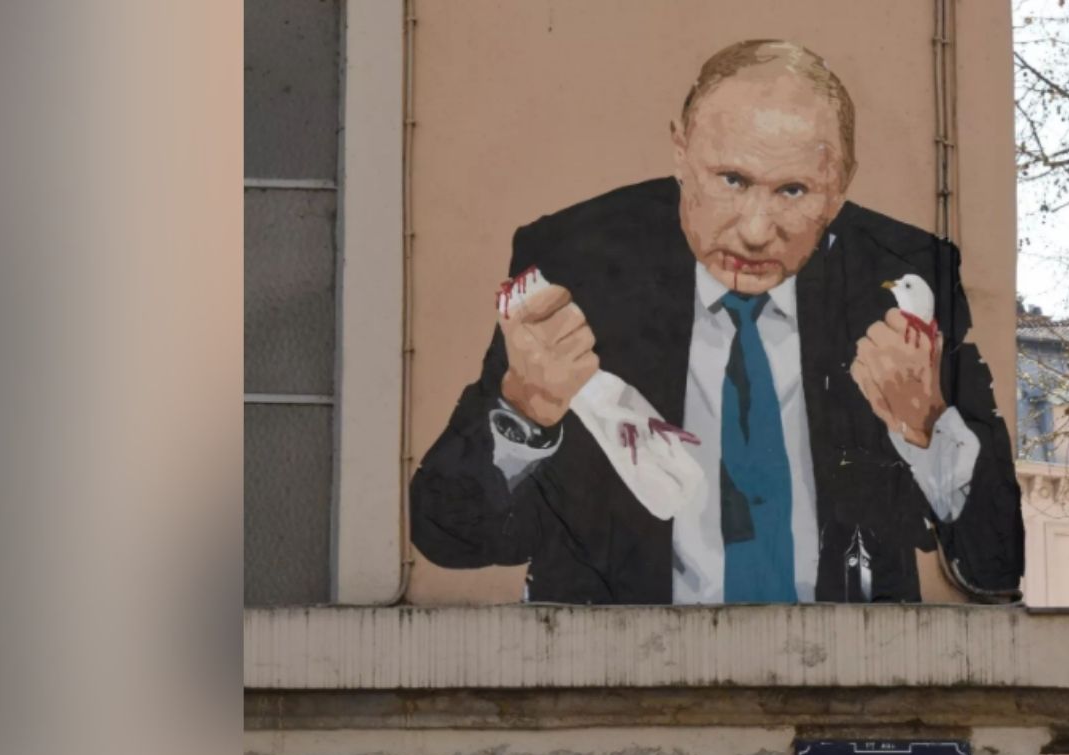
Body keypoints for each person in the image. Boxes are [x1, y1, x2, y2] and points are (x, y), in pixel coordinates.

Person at [409, 40, 1023, 604]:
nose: (757, 231)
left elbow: (998, 566)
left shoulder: (903, 279)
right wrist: (524, 412)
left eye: (794, 192)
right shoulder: (579, 263)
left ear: (840, 188)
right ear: (681, 153)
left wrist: (928, 430)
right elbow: (449, 535)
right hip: (621, 695)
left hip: (842, 694)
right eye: (731, 180)